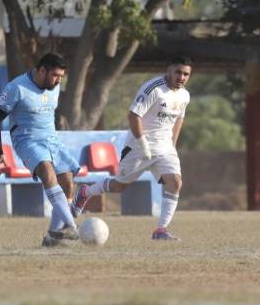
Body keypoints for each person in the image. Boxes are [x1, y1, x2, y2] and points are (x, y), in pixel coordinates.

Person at [72, 56, 192, 241]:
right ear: (168, 69)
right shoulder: (153, 89)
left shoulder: (184, 95)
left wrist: (173, 146)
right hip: (138, 146)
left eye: (186, 74)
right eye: (178, 72)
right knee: (120, 186)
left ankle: (161, 230)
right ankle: (85, 192)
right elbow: (133, 115)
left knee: (175, 182)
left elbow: (179, 120)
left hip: (165, 147)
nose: (181, 77)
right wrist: (143, 143)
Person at [0, 52, 80, 247]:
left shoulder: (54, 86)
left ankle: (52, 236)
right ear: (42, 70)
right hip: (26, 139)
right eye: (55, 75)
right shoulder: (16, 87)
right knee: (48, 174)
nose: (57, 81)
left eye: (61, 77)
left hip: (52, 139)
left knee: (68, 184)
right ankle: (72, 226)